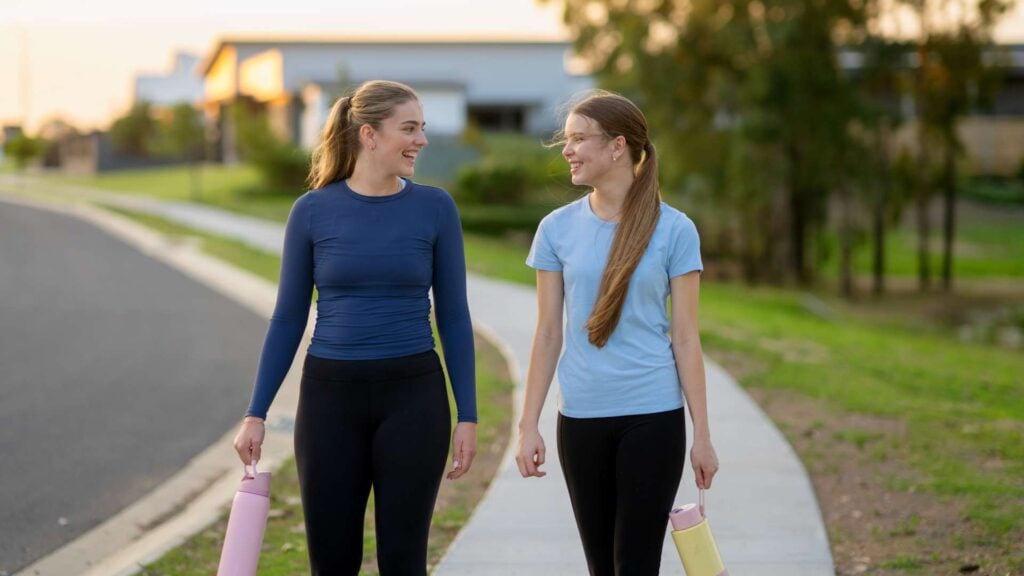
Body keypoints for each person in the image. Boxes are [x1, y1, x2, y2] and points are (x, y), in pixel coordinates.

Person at [232, 80, 477, 575]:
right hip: (329, 401)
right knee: (332, 561)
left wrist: (467, 415)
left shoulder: (435, 208)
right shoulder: (312, 212)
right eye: (408, 129)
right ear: (368, 135)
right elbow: (287, 317)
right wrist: (255, 412)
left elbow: (453, 315)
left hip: (414, 397)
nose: (421, 141)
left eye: (422, 128)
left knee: (404, 562)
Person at [514, 90, 719, 575]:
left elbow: (686, 338)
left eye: (579, 139)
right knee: (601, 564)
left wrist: (703, 435)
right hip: (581, 417)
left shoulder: (675, 230)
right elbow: (547, 334)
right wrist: (528, 425)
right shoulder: (555, 229)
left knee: (636, 561)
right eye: (568, 140)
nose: (568, 150)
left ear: (617, 146)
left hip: (653, 416)